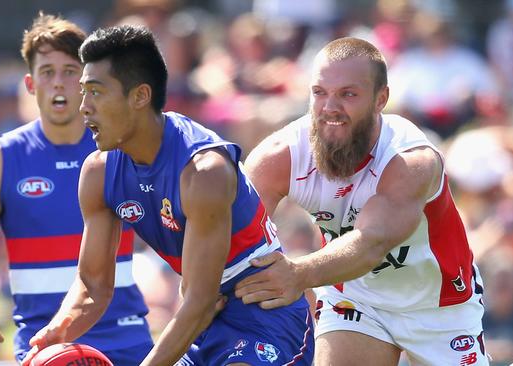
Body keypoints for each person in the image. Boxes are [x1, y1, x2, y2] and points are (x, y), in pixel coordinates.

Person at [22, 25, 314, 366]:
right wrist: (58, 331)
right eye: (83, 92)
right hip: (200, 319)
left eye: (96, 93)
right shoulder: (98, 172)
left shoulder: (204, 172)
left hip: (265, 316)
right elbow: (93, 287)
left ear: (140, 96)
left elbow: (201, 301)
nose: (83, 106)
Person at [235, 36, 488, 365]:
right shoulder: (278, 157)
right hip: (356, 299)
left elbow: (371, 243)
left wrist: (296, 274)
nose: (330, 108)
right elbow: (231, 236)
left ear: (381, 98)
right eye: (319, 93)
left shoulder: (411, 161)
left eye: (348, 94)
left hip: (440, 304)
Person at [0, 13, 153, 364]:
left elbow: (175, 223)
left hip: (126, 339)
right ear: (31, 84)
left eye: (70, 71)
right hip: (44, 345)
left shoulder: (122, 152)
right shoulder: (1, 158)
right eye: (47, 72)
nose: (58, 83)